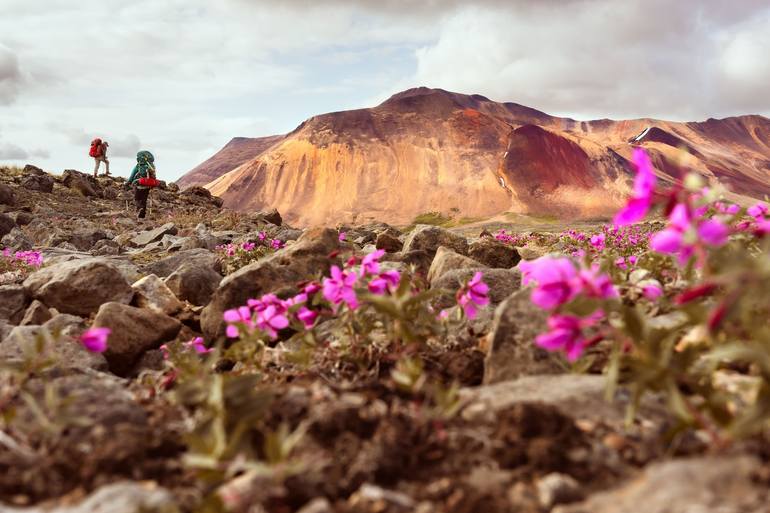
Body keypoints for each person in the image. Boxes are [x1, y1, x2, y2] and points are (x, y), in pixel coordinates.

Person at [125, 150, 157, 219]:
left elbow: (132, 176)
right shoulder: (151, 166)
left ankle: (139, 209)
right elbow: (153, 177)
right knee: (144, 200)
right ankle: (142, 215)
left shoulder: (138, 166)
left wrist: (127, 183)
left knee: (137, 199)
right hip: (147, 186)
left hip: (139, 185)